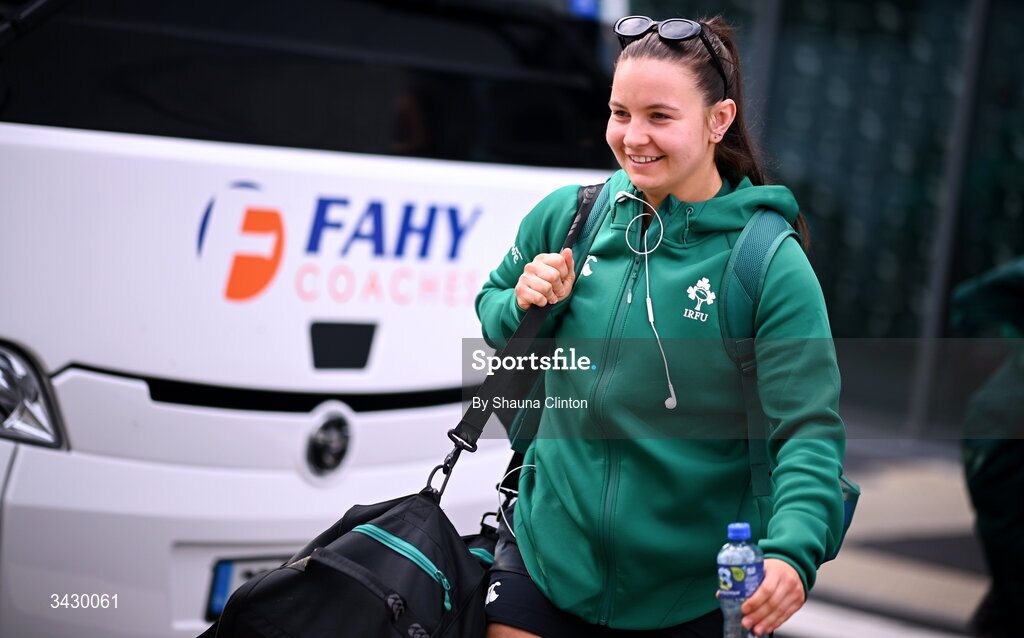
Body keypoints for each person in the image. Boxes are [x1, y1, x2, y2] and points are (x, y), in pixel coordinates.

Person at [475, 14, 846, 638]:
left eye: (659, 116)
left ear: (718, 120)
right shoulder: (571, 216)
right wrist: (521, 301)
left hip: (692, 595)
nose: (633, 136)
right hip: (544, 560)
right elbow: (492, 309)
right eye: (620, 113)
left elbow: (807, 428)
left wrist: (791, 550)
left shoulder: (767, 262)